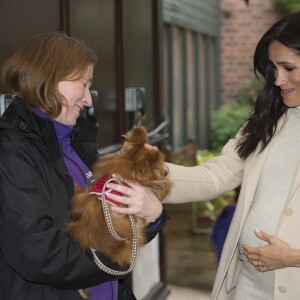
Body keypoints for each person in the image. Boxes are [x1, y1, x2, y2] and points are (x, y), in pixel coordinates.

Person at [107, 11, 300, 300]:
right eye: (273, 68)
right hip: (246, 289)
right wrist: (151, 170)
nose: (277, 79)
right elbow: (216, 174)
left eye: (288, 67)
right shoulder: (269, 118)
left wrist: (294, 257)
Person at [0, 32, 168, 300]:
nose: (89, 100)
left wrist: (152, 213)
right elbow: (39, 252)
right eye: (84, 83)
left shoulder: (77, 141)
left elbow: (108, 227)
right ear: (52, 78)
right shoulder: (11, 151)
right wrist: (114, 261)